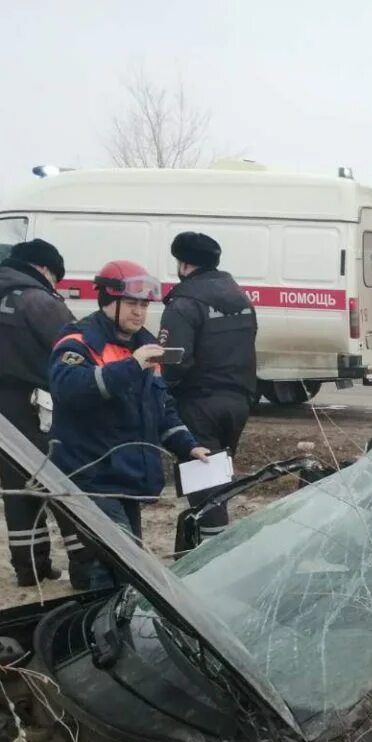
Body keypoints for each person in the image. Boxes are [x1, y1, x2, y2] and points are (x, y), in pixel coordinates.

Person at [47, 260, 209, 591]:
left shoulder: (146, 346)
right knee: (121, 564)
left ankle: (94, 612)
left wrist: (187, 445)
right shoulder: (78, 342)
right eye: (132, 303)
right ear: (108, 300)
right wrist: (131, 366)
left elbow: (161, 407)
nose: (139, 313)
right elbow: (69, 390)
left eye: (144, 305)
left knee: (114, 564)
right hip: (90, 475)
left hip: (127, 478)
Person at [0, 239, 74, 586]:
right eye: (54, 277)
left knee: (16, 486)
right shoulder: (39, 301)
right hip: (38, 405)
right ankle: (86, 566)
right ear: (43, 268)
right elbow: (73, 345)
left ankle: (29, 568)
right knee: (62, 482)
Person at [158, 231, 259, 551]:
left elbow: (174, 361)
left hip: (198, 405)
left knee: (206, 494)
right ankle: (197, 550)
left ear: (185, 264)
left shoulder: (184, 302)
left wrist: (162, 393)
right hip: (238, 402)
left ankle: (212, 560)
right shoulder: (240, 298)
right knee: (216, 486)